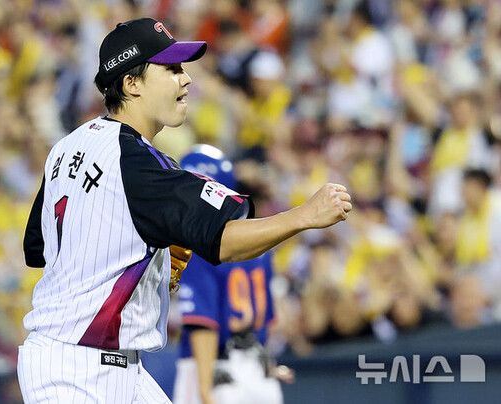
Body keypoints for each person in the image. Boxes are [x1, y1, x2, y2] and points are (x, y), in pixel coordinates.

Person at [19, 17, 352, 404]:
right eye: (171, 69)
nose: (186, 78)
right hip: (78, 371)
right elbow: (225, 241)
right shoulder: (138, 163)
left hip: (91, 361)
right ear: (132, 83)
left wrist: (143, 259)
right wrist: (304, 216)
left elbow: (38, 248)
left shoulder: (65, 148)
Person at [173, 145, 289, 404]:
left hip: (216, 371)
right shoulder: (257, 243)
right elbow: (269, 321)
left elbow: (203, 323)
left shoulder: (200, 246)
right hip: (259, 370)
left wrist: (205, 389)